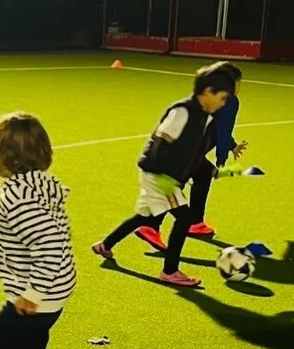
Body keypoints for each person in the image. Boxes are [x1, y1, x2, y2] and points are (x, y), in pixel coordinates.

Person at [93, 64, 237, 287]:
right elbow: (160, 142)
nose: (224, 102)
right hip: (159, 175)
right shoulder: (183, 111)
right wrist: (162, 175)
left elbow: (193, 152)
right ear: (208, 92)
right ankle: (170, 271)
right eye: (222, 97)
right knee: (185, 218)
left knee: (145, 216)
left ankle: (105, 245)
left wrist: (209, 170)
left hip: (165, 176)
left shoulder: (204, 117)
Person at [0, 112, 77, 349]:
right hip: (58, 285)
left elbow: (48, 246)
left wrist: (30, 294)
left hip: (39, 293)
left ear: (4, 156)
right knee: (31, 346)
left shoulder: (16, 197)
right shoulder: (41, 183)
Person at [135, 61, 246, 250]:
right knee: (175, 185)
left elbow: (219, 128)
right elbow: (222, 130)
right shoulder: (230, 101)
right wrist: (221, 158)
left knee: (201, 176)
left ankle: (194, 222)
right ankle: (151, 226)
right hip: (190, 152)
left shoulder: (211, 97)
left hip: (189, 149)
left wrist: (232, 146)